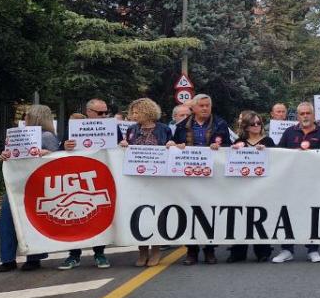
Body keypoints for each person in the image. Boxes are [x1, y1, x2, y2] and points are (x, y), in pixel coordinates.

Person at [0, 104, 61, 272]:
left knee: (32, 221)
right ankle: (7, 259)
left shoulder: (47, 136)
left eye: (26, 115)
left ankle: (34, 258)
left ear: (36, 117)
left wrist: (47, 154)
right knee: (6, 223)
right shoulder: (18, 135)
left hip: (36, 184)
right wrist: (5, 155)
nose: (23, 118)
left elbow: (57, 161)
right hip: (16, 183)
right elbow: (12, 156)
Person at [169, 93, 231, 265]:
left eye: (207, 105)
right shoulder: (182, 125)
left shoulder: (220, 123)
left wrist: (219, 147)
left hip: (212, 178)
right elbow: (172, 143)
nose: (205, 108)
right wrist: (175, 145)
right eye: (201, 106)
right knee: (189, 213)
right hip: (188, 176)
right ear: (194, 108)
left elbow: (228, 147)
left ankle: (210, 250)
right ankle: (192, 251)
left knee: (210, 213)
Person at [58, 97, 114, 270]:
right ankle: (74, 255)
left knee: (100, 214)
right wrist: (64, 145)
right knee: (76, 216)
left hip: (102, 176)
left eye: (106, 112)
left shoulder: (113, 127)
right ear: (89, 112)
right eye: (100, 113)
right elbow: (60, 149)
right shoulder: (74, 128)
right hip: (78, 177)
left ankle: (100, 254)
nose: (104, 115)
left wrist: (123, 144)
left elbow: (120, 147)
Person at [116, 97, 173, 267]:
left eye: (136, 112)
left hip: (158, 180)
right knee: (138, 214)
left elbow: (171, 146)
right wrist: (124, 145)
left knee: (155, 214)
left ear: (146, 112)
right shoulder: (132, 129)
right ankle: (142, 252)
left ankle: (155, 251)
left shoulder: (164, 129)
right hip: (137, 180)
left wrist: (172, 145)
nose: (133, 115)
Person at [273, 101, 320, 264]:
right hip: (292, 181)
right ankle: (287, 249)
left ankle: (313, 249)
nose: (305, 116)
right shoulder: (289, 132)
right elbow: (279, 154)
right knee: (288, 213)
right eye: (302, 114)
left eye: (308, 113)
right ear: (297, 116)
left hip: (315, 182)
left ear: (314, 115)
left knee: (314, 214)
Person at [223, 111, 276, 264]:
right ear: (246, 126)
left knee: (261, 218)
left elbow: (279, 160)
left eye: (259, 123)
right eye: (253, 124)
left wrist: (267, 152)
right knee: (241, 218)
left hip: (263, 186)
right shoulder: (238, 142)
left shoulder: (268, 141)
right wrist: (232, 151)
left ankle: (263, 251)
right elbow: (229, 161)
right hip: (242, 187)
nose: (257, 126)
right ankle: (238, 252)